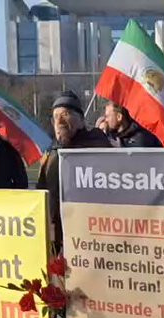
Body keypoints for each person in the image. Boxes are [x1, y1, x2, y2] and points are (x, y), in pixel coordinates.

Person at [35, 91, 111, 245]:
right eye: (56, 117)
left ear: (81, 121)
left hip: (89, 238)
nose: (60, 121)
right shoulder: (51, 154)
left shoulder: (97, 148)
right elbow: (42, 194)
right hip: (57, 238)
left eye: (65, 114)